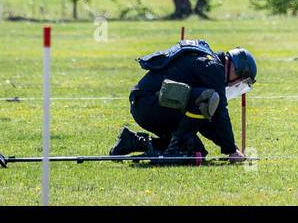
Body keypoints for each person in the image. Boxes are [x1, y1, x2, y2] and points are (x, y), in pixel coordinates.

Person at [110, 38, 256, 163]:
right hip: (150, 106)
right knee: (208, 98)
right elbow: (219, 113)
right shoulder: (213, 68)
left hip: (145, 105)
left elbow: (205, 120)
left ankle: (132, 142)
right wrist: (231, 150)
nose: (233, 85)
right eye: (239, 81)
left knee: (196, 151)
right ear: (235, 69)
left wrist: (230, 147)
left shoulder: (208, 61)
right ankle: (172, 149)